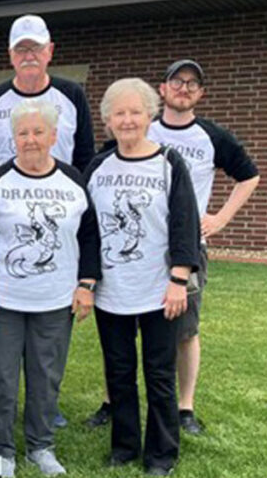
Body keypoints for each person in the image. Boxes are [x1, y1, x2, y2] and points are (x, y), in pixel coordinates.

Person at [0, 98, 100, 477]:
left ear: (54, 135)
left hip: (55, 301)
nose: (30, 140)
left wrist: (86, 284)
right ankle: (2, 448)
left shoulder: (73, 180)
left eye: (38, 131)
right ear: (14, 139)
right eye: (22, 133)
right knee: (1, 378)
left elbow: (90, 236)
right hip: (3, 301)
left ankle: (41, 447)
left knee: (46, 378)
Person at [84, 78, 200, 476]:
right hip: (112, 290)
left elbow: (186, 223)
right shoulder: (98, 167)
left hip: (159, 291)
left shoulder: (169, 163)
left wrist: (179, 279)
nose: (128, 120)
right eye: (119, 113)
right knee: (118, 372)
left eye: (135, 111)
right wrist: (87, 280)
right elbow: (87, 230)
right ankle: (124, 446)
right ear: (108, 121)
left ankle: (162, 453)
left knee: (159, 374)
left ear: (150, 115)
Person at [149, 59, 260, 434]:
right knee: (125, 325)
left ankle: (185, 408)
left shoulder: (212, 137)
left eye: (192, 84)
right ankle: (112, 401)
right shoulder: (141, 130)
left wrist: (221, 218)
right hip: (140, 244)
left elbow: (249, 176)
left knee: (185, 330)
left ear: (201, 94)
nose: (184, 88)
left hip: (187, 248)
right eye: (176, 81)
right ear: (162, 89)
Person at [0, 14, 95, 173]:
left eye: (36, 47)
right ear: (10, 54)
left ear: (50, 50)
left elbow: (85, 157)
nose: (29, 56)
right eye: (21, 49)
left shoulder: (72, 95)